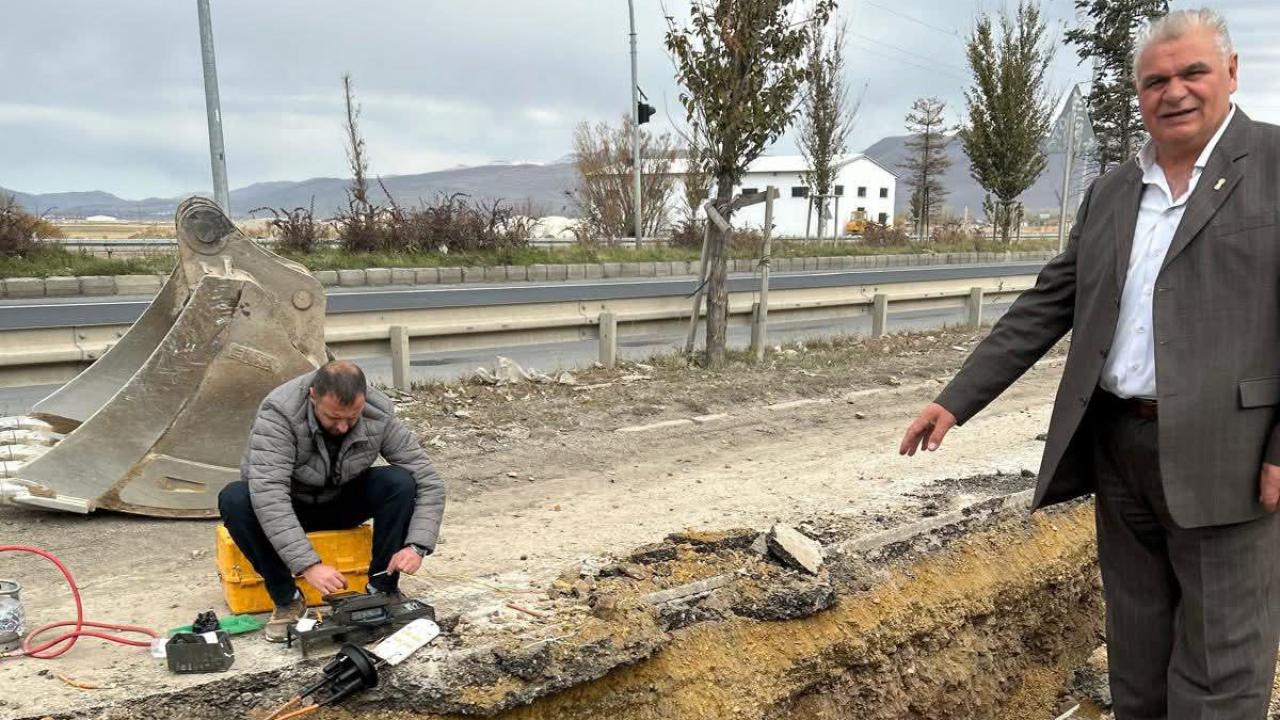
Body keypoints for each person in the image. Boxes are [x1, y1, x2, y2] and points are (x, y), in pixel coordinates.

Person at [900, 9, 1280, 718]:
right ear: (1139, 93)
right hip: (1120, 449)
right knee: (1137, 658)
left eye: (1193, 72)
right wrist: (956, 399)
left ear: (1231, 73)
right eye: (1155, 81)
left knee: (1220, 671)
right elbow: (1050, 301)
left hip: (1229, 457)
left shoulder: (1275, 167)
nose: (1175, 92)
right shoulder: (1114, 190)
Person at [218, 360, 445, 642]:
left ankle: (383, 590)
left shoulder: (378, 411)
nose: (342, 426)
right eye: (333, 417)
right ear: (313, 395)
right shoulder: (279, 412)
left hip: (341, 501)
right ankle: (287, 599)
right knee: (235, 498)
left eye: (352, 417)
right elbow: (269, 494)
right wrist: (309, 566)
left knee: (399, 481)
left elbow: (429, 481)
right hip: (291, 505)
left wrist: (417, 546)